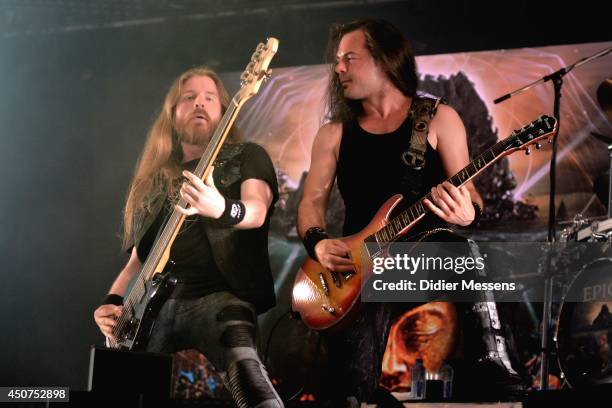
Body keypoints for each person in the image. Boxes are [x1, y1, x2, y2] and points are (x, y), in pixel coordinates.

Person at [297, 19, 522, 405]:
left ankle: (493, 359)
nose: (338, 69)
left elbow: (472, 196)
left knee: (463, 251)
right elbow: (310, 203)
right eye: (337, 60)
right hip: (359, 269)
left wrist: (468, 212)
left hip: (425, 255)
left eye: (349, 58)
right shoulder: (333, 133)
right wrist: (318, 243)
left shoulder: (438, 118)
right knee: (348, 391)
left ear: (384, 60)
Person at [94, 66, 284, 408]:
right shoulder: (152, 183)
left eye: (210, 97)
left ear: (225, 110)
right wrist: (110, 303)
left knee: (252, 388)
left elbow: (256, 211)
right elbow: (136, 262)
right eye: (189, 97)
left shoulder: (247, 156)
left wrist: (222, 208)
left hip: (219, 298)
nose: (200, 103)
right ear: (172, 113)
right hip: (152, 311)